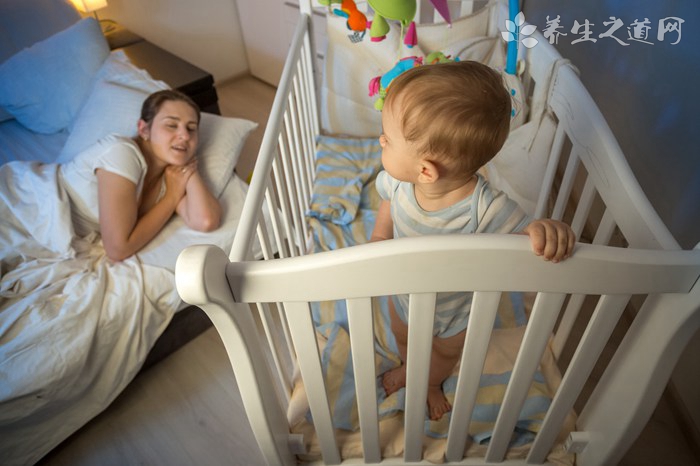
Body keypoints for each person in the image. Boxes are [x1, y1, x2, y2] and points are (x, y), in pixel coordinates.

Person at [369, 61, 576, 421]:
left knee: (445, 354)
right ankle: (408, 366)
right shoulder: (400, 183)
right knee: (403, 334)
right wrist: (379, 235)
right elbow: (386, 202)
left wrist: (546, 229)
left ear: (426, 171)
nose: (380, 140)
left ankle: (431, 383)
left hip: (455, 313)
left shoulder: (486, 207)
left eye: (387, 138)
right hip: (403, 294)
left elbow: (526, 232)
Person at [60, 89, 221, 262]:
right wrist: (172, 197)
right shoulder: (122, 153)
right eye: (172, 125)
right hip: (35, 206)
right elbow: (118, 249)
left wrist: (189, 166)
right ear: (144, 129)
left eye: (191, 128)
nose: (185, 135)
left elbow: (206, 221)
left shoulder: (171, 176)